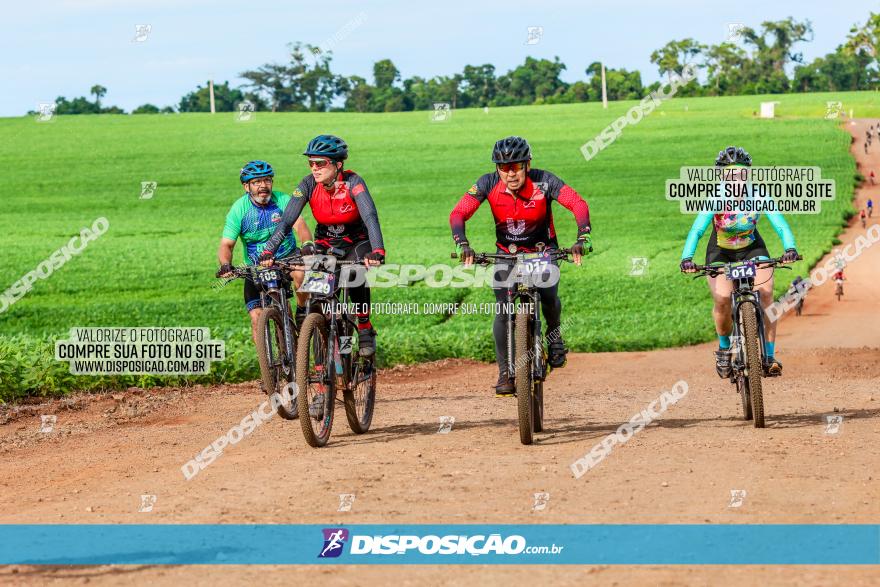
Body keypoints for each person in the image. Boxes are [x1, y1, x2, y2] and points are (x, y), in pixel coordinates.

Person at [449, 136, 591, 396]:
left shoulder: (545, 181)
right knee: (503, 310)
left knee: (549, 295)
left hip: (543, 251)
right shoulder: (487, 183)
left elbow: (577, 203)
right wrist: (463, 244)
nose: (510, 173)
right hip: (506, 255)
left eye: (515, 166)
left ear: (527, 164)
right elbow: (458, 213)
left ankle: (554, 335)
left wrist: (583, 238)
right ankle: (505, 372)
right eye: (503, 168)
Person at [260, 135, 385, 357]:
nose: (314, 168)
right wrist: (269, 250)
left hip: (356, 242)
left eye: (321, 163)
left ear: (338, 164)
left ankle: (364, 325)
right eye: (311, 163)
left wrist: (378, 251)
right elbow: (288, 220)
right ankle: (321, 368)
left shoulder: (354, 182)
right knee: (318, 303)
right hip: (326, 243)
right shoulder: (308, 184)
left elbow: (370, 216)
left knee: (355, 274)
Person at [680, 146, 800, 377]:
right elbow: (697, 230)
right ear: (722, 177)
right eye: (731, 175)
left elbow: (781, 225)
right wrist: (687, 258)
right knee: (723, 299)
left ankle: (769, 355)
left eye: (742, 174)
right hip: (721, 251)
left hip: (752, 248)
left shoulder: (759, 195)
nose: (737, 180)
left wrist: (790, 248)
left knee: (766, 295)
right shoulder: (716, 198)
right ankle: (725, 349)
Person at [216, 161, 312, 344]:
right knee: (257, 318)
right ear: (246, 186)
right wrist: (225, 264)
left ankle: (302, 310)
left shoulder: (283, 200)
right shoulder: (239, 210)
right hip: (256, 266)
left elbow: (300, 226)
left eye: (267, 180)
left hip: (287, 256)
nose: (263, 186)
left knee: (301, 274)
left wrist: (307, 243)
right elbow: (226, 245)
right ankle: (266, 367)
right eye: (256, 182)